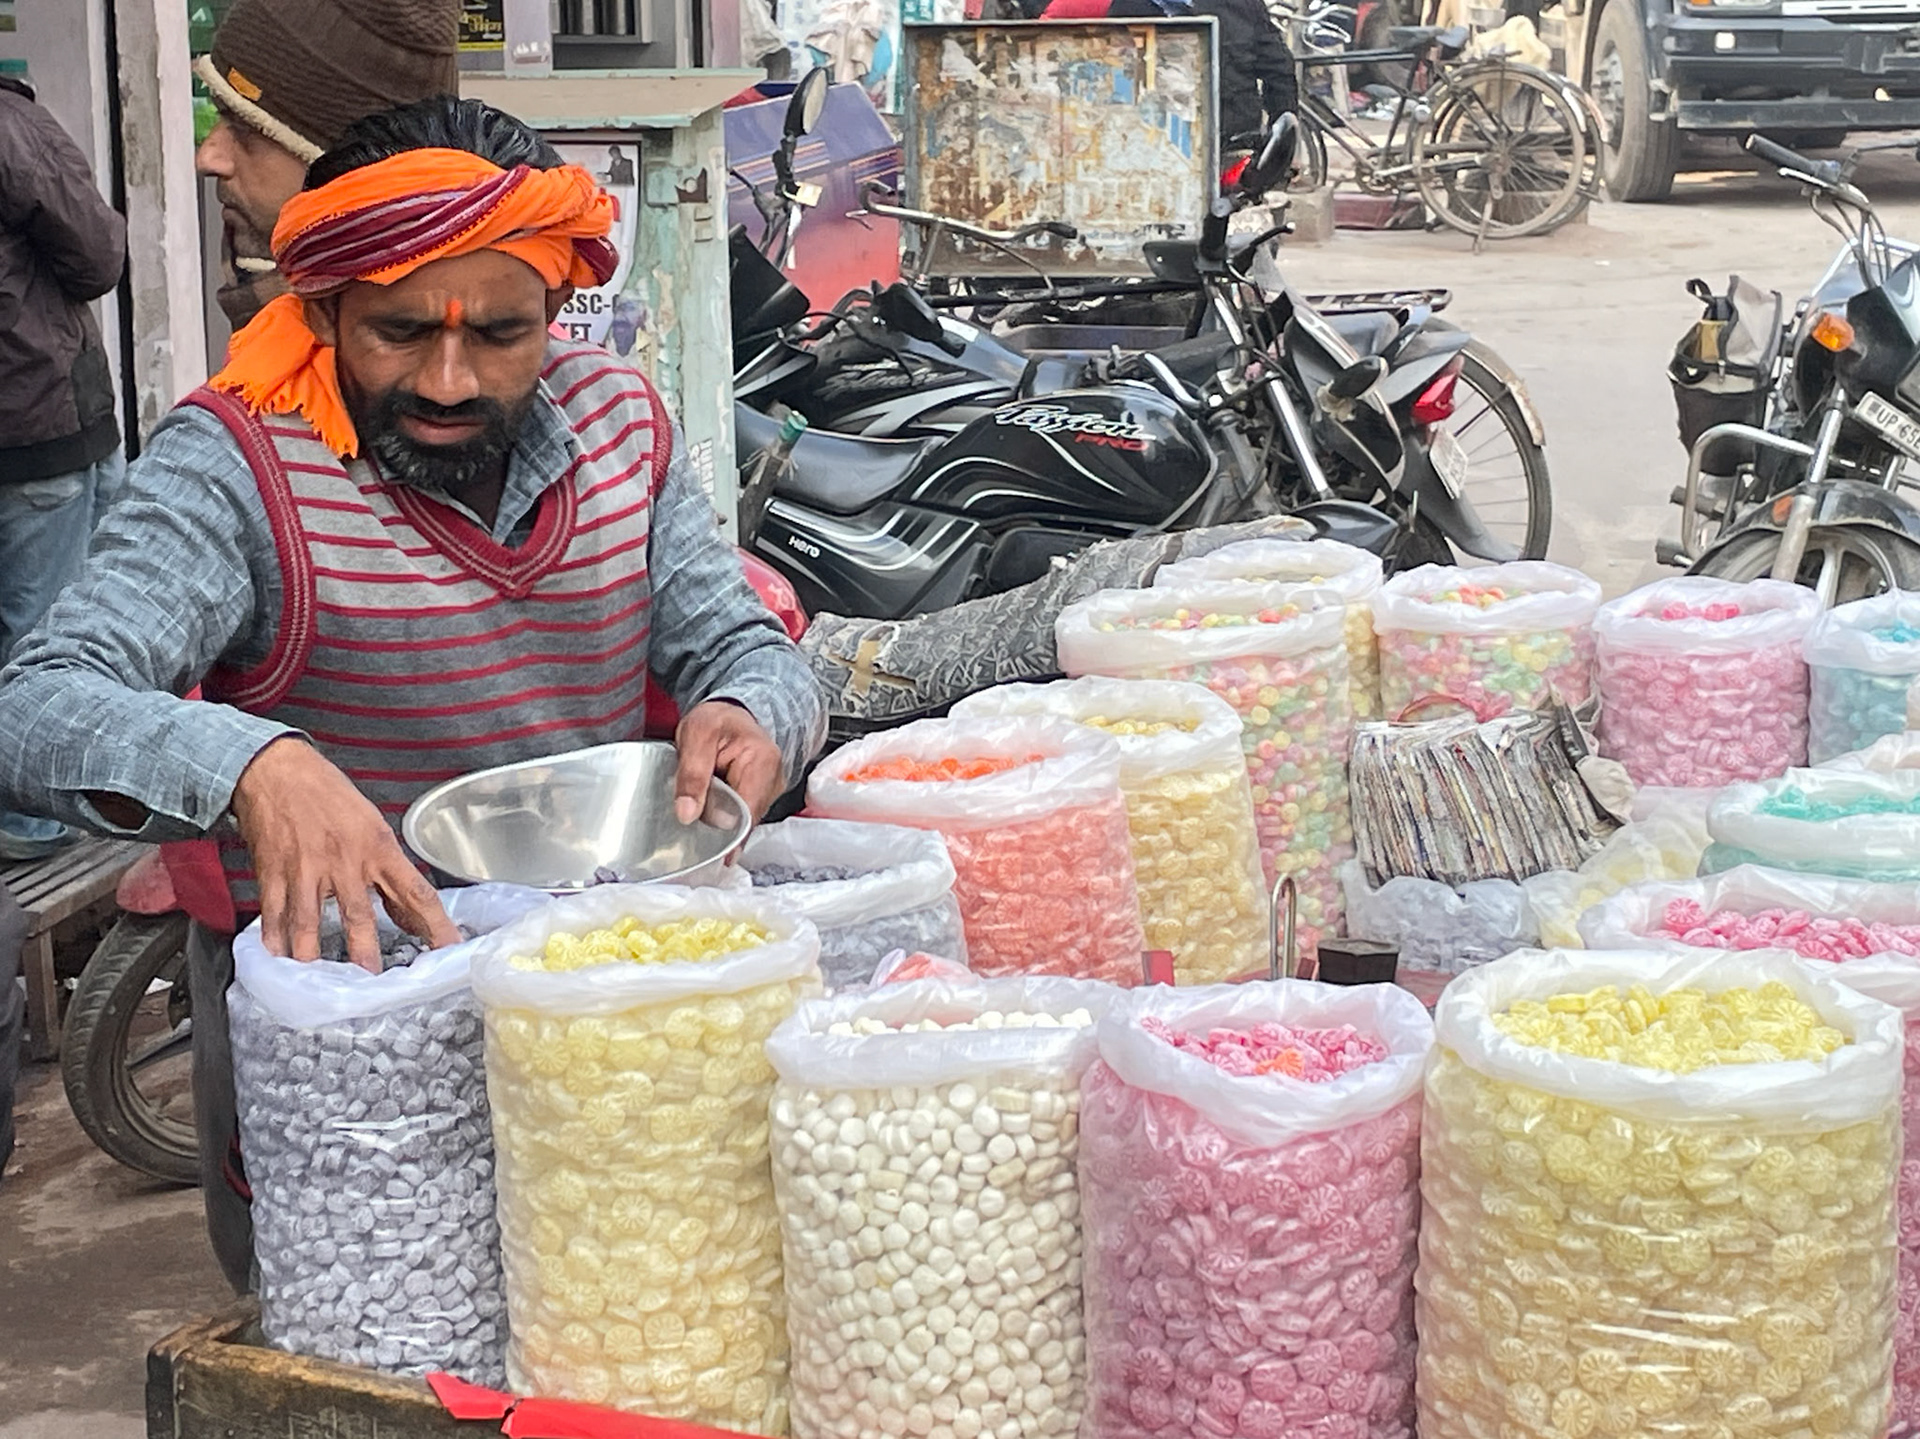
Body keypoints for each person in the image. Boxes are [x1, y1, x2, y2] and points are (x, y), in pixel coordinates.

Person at [0, 96, 827, 1289]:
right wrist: (250, 762)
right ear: (325, 306)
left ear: (555, 310)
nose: (448, 378)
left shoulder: (620, 424)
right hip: (352, 1059)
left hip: (597, 1029)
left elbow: (740, 643)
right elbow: (37, 700)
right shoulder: (236, 460)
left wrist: (755, 711)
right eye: (397, 331)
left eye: (500, 334)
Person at [0, 61, 128, 860]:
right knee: (57, 630)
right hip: (39, 413)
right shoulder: (11, 126)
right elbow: (99, 256)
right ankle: (34, 817)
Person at [194, 0, 459, 329]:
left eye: (248, 128)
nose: (207, 158)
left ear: (346, 167)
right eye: (221, 115)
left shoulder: (444, 365)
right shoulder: (275, 328)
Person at [1032, 0, 1297, 148]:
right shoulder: (1126, 11)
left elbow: (1279, 69)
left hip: (1231, 146)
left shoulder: (1240, 6)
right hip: (1154, 148)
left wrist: (1280, 141)